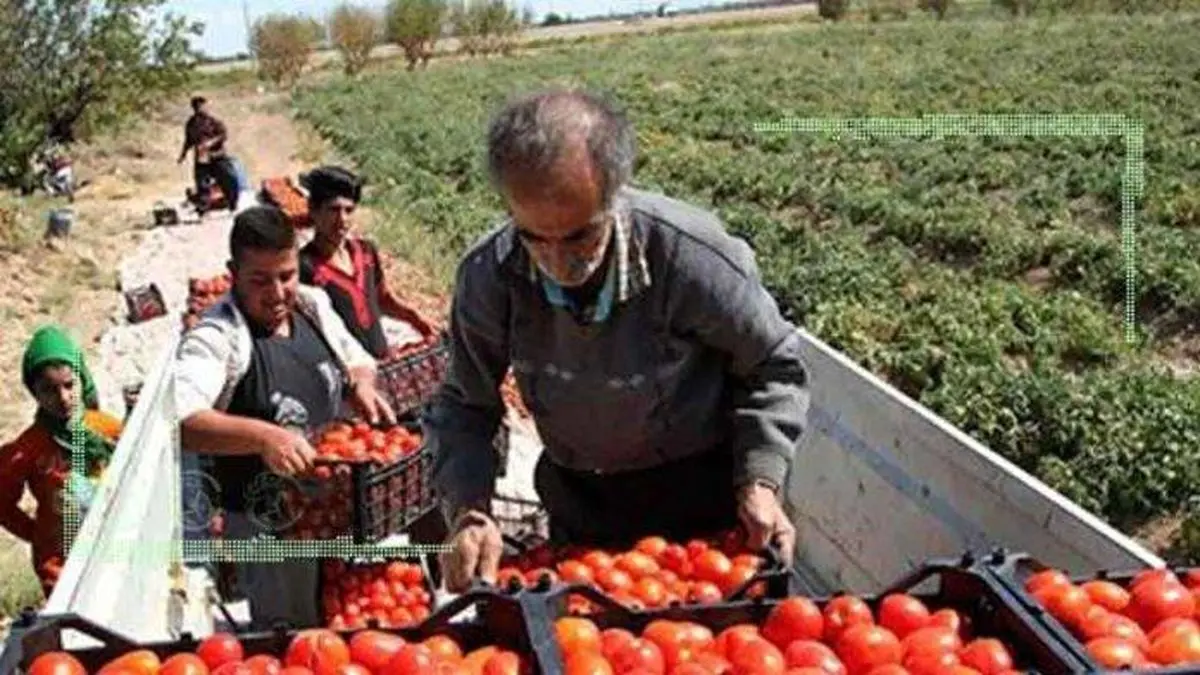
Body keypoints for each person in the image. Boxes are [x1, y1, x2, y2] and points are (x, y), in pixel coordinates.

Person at [427, 88, 811, 592]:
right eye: (535, 239)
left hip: (701, 503)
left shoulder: (688, 258)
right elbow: (465, 404)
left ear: (613, 195)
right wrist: (468, 509)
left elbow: (771, 365)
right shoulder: (490, 276)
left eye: (579, 237)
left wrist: (759, 480)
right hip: (581, 501)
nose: (558, 264)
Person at [173, 205, 395, 629]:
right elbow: (182, 421)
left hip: (333, 511)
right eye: (259, 280)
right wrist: (263, 437)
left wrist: (363, 384)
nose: (276, 293)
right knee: (293, 640)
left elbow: (357, 358)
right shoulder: (218, 338)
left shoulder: (311, 307)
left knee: (343, 628)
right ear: (232, 272)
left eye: (286, 276)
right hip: (268, 530)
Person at [0, 325, 123, 599]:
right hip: (60, 568)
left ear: (82, 379)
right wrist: (38, 535)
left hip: (110, 552)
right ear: (34, 393)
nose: (63, 398)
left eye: (69, 385)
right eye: (48, 390)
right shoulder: (28, 448)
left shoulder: (106, 429)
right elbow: (3, 503)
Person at [297, 165, 435, 359]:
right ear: (313, 210)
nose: (342, 219)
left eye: (349, 210)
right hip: (346, 371)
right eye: (333, 210)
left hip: (383, 361)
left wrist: (415, 318)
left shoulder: (366, 252)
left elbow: (382, 299)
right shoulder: (304, 267)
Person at [177, 96, 240, 213]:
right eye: (198, 107)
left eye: (203, 106)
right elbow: (188, 140)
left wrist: (211, 142)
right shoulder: (191, 124)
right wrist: (183, 155)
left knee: (229, 179)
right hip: (202, 158)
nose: (202, 109)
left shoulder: (213, 121)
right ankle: (203, 210)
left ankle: (232, 204)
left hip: (217, 156)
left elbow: (223, 135)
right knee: (202, 184)